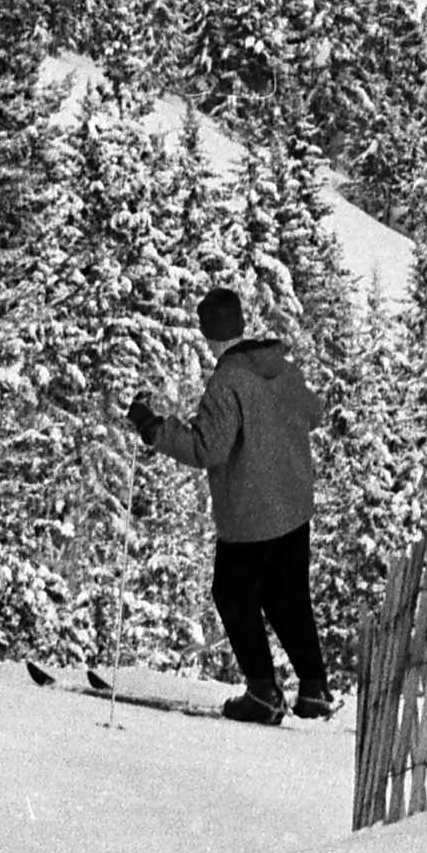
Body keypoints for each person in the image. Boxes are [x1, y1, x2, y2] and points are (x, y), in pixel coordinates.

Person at [128, 278, 329, 725]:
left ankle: (262, 692)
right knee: (288, 596)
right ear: (242, 322)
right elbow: (313, 413)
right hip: (294, 505)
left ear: (206, 334)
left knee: (233, 594)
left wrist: (152, 428)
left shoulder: (227, 382)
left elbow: (206, 449)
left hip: (251, 514)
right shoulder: (279, 366)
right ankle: (314, 689)